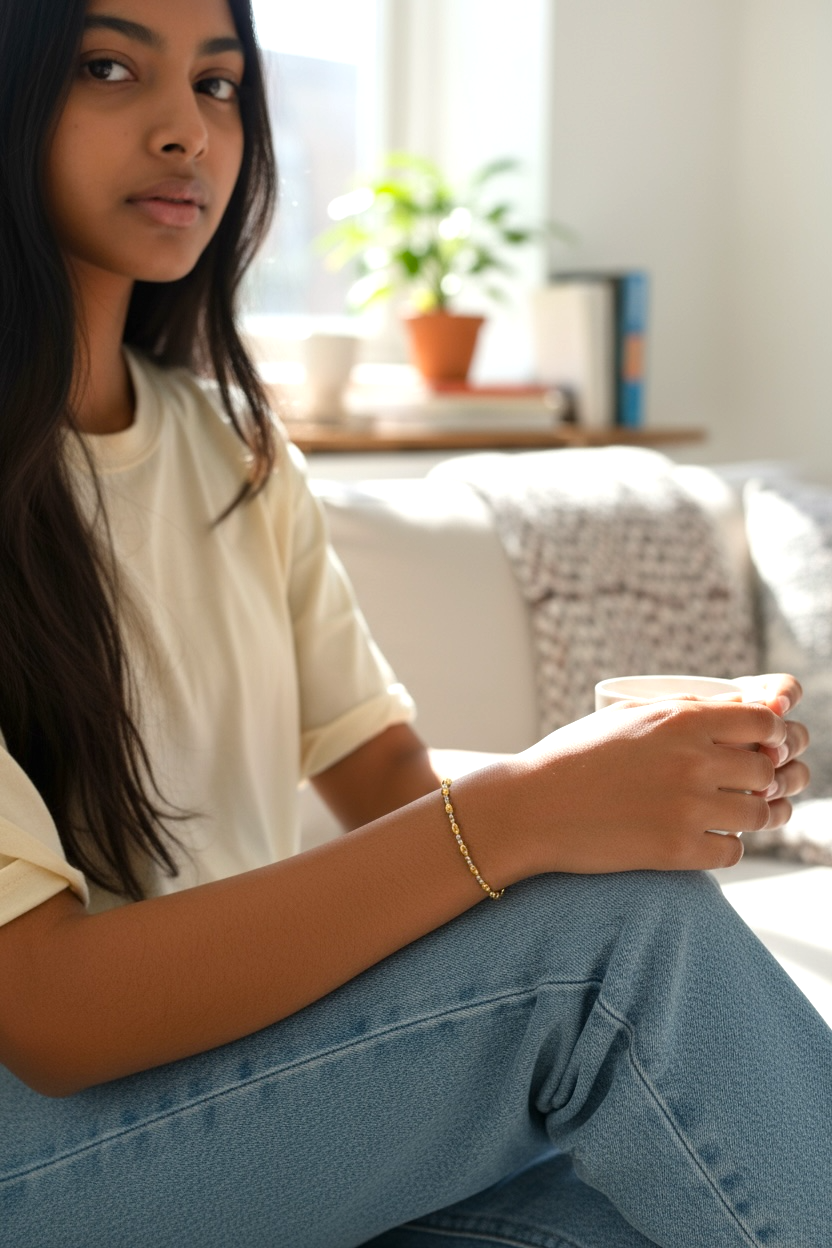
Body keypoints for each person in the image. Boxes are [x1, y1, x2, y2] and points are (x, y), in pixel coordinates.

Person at [0, 1, 829, 1245]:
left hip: (236, 1084)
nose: (187, 131)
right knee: (616, 952)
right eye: (109, 69)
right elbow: (51, 1013)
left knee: (655, 1179)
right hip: (40, 1143)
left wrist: (618, 791)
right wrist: (527, 812)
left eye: (221, 86)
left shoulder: (232, 454)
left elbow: (384, 783)